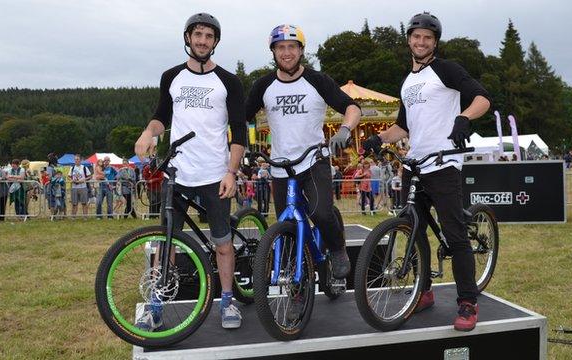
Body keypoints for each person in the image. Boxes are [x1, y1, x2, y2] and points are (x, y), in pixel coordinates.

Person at [362, 12, 491, 332]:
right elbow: (402, 127)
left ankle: (467, 302)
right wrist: (379, 137)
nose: (421, 42)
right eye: (416, 36)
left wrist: (464, 118)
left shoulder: (446, 70)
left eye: (428, 38)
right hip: (414, 164)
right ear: (408, 39)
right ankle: (424, 290)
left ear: (435, 43)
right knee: (412, 229)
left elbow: (483, 98)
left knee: (455, 233)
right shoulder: (408, 81)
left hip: (444, 162)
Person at [134, 12, 246, 330]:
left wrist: (231, 172)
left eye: (209, 36)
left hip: (214, 173)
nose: (202, 41)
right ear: (187, 38)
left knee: (222, 242)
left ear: (215, 42)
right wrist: (148, 133)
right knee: (167, 241)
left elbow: (239, 132)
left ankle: (227, 301)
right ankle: (156, 304)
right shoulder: (171, 77)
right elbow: (160, 118)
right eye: (197, 35)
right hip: (177, 173)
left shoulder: (229, 81)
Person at [245, 24, 361, 279]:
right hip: (279, 166)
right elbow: (242, 118)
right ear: (273, 52)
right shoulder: (263, 85)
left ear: (301, 50)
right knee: (286, 226)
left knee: (320, 212)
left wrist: (344, 130)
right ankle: (297, 289)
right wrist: (244, 146)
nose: (286, 53)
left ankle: (337, 248)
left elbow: (351, 107)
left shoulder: (317, 80)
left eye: (291, 47)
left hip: (313, 160)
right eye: (280, 48)